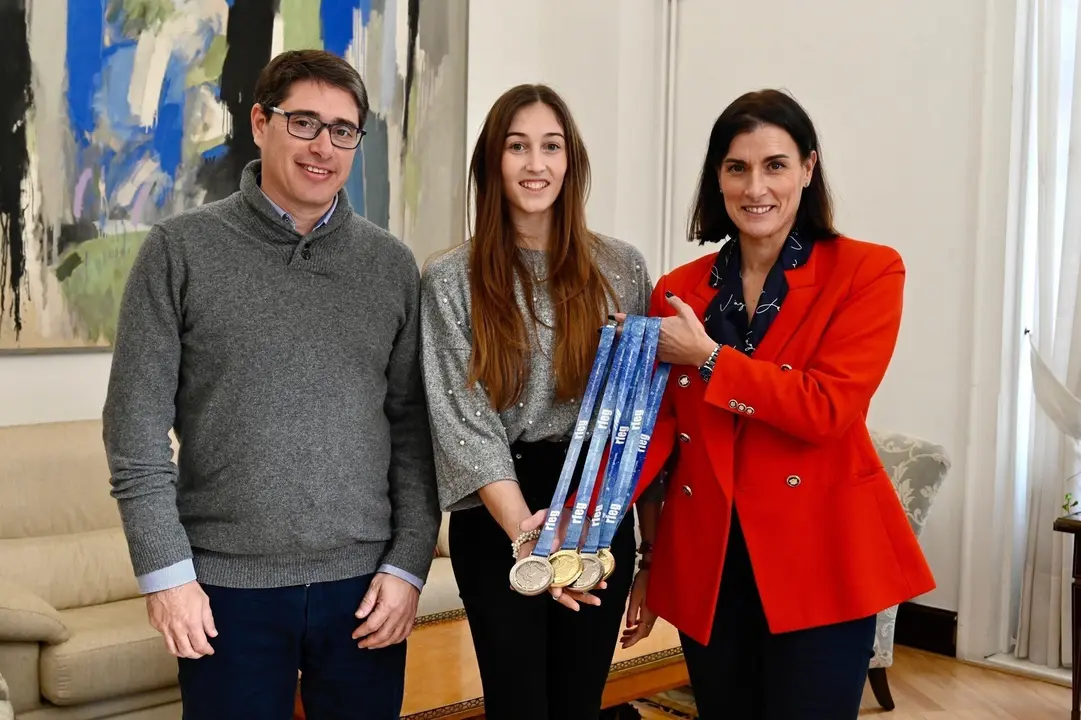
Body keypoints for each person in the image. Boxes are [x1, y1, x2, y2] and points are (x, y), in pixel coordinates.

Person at [102, 49, 440, 719]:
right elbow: (133, 433)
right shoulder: (179, 250)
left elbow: (414, 431)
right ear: (260, 123)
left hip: (364, 590)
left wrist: (408, 567)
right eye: (303, 122)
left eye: (342, 130)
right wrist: (167, 577)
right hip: (225, 592)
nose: (323, 147)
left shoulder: (391, 266)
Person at [619, 89, 937, 718]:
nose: (755, 187)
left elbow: (826, 408)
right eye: (737, 167)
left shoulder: (868, 272)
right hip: (711, 563)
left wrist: (709, 358)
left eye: (775, 165)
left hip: (820, 559)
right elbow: (657, 439)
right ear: (718, 178)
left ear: (808, 169)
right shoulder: (678, 290)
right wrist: (625, 548)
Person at [418, 83, 662, 720]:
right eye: (517, 146)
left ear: (571, 161)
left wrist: (646, 552)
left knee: (580, 703)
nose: (536, 164)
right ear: (492, 162)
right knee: (518, 704)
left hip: (597, 506)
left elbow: (640, 413)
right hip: (499, 510)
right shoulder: (449, 279)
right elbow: (462, 417)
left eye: (551, 147)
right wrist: (528, 534)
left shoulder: (621, 268)